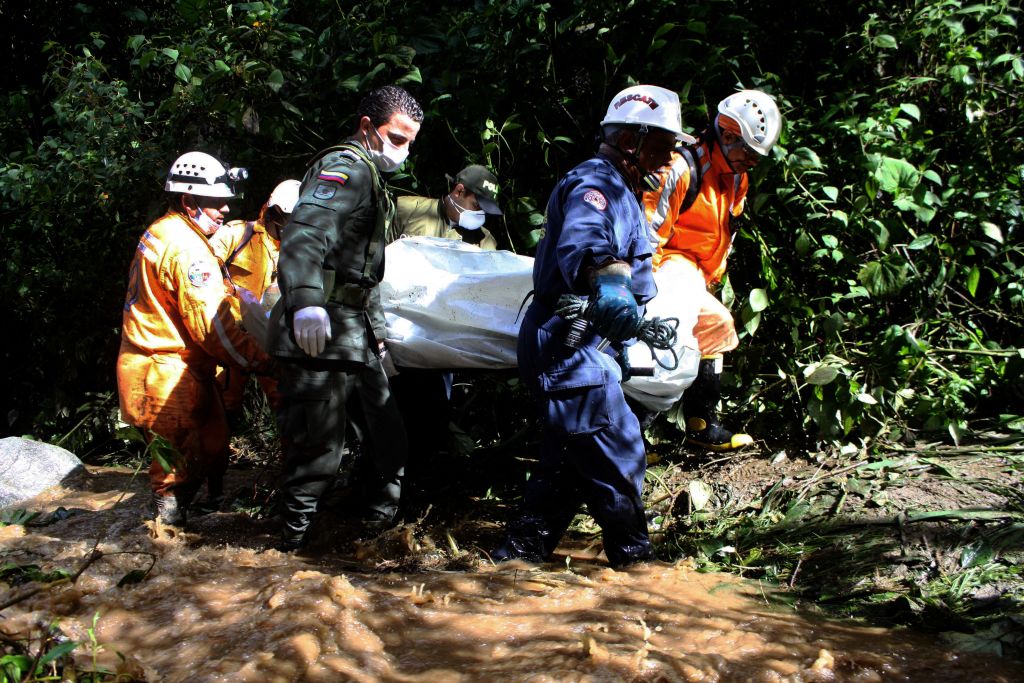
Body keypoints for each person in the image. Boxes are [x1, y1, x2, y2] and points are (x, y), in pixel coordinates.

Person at [492, 85, 690, 568]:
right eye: (662, 147)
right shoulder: (595, 186)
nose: (668, 160)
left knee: (568, 464)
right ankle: (635, 565)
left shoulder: (625, 192)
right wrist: (608, 283)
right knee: (618, 450)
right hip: (567, 345)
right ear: (632, 141)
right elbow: (585, 244)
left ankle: (516, 557)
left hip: (587, 348)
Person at [267, 85, 423, 551]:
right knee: (318, 452)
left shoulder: (372, 177)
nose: (404, 151)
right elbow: (305, 233)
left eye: (411, 141)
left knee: (388, 437)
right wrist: (306, 301)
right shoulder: (346, 168)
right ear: (367, 127)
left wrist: (375, 337)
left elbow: (363, 271)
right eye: (397, 138)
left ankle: (371, 536)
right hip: (319, 330)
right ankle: (287, 551)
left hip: (351, 331)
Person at [117, 151, 271, 526]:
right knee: (171, 479)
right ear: (188, 202)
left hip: (175, 366)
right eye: (215, 203)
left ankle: (180, 537)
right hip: (165, 370)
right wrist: (263, 360)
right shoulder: (186, 248)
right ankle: (168, 552)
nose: (223, 210)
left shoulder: (165, 230)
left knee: (209, 452)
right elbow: (211, 328)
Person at [642, 89, 782, 451]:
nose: (750, 161)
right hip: (666, 267)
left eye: (756, 156)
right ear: (727, 134)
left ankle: (701, 425)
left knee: (714, 329)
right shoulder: (680, 168)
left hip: (695, 274)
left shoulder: (737, 178)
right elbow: (647, 235)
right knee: (665, 338)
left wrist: (711, 281)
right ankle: (633, 438)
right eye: (746, 152)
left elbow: (726, 234)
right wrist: (641, 294)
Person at [210, 179, 301, 425]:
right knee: (220, 400)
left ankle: (292, 458)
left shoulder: (296, 250)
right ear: (276, 213)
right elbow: (203, 272)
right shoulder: (237, 234)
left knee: (283, 398)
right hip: (233, 334)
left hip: (270, 338)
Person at [389, 164, 503, 250]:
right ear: (459, 191)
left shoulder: (484, 240)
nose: (480, 214)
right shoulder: (408, 209)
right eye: (477, 205)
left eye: (485, 210)